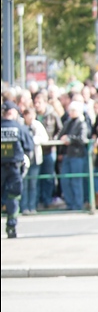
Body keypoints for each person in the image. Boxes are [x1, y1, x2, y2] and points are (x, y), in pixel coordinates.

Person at [1, 101, 34, 238]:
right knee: (13, 196)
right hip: (14, 168)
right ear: (13, 113)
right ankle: (11, 226)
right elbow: (29, 146)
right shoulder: (19, 128)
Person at [56, 101, 91, 211]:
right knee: (65, 180)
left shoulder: (82, 123)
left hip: (77, 155)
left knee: (76, 180)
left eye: (73, 110)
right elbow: (60, 135)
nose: (71, 112)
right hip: (67, 154)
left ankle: (78, 204)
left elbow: (82, 138)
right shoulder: (68, 123)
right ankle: (69, 203)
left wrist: (70, 139)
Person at [20, 108, 48, 215]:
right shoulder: (21, 126)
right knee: (24, 183)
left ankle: (32, 206)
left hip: (35, 158)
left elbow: (45, 138)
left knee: (33, 184)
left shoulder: (37, 125)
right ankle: (24, 207)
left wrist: (35, 140)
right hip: (24, 159)